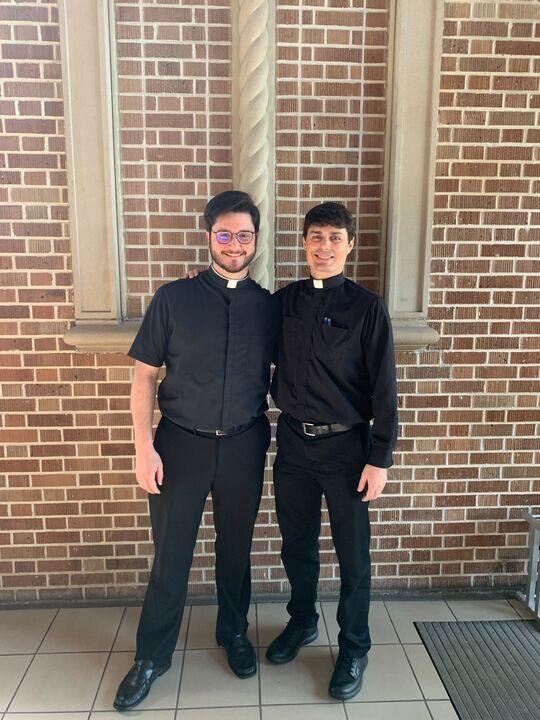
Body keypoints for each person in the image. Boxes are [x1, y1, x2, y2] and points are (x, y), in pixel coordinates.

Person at [113, 191, 279, 711]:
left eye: (244, 235)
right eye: (225, 234)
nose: (235, 244)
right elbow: (143, 375)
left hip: (244, 445)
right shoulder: (173, 299)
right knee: (171, 557)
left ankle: (232, 633)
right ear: (208, 236)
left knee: (235, 551)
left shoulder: (269, 307)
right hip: (179, 444)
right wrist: (143, 448)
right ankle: (151, 657)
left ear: (256, 240)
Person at [266, 201, 398, 701]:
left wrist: (379, 457)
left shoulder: (367, 309)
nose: (324, 248)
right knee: (296, 544)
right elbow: (233, 310)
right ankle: (302, 622)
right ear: (303, 243)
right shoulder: (283, 302)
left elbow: (385, 390)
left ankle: (354, 646)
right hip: (294, 445)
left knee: (353, 555)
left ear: (349, 246)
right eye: (316, 237)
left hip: (347, 449)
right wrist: (202, 282)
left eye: (334, 238)